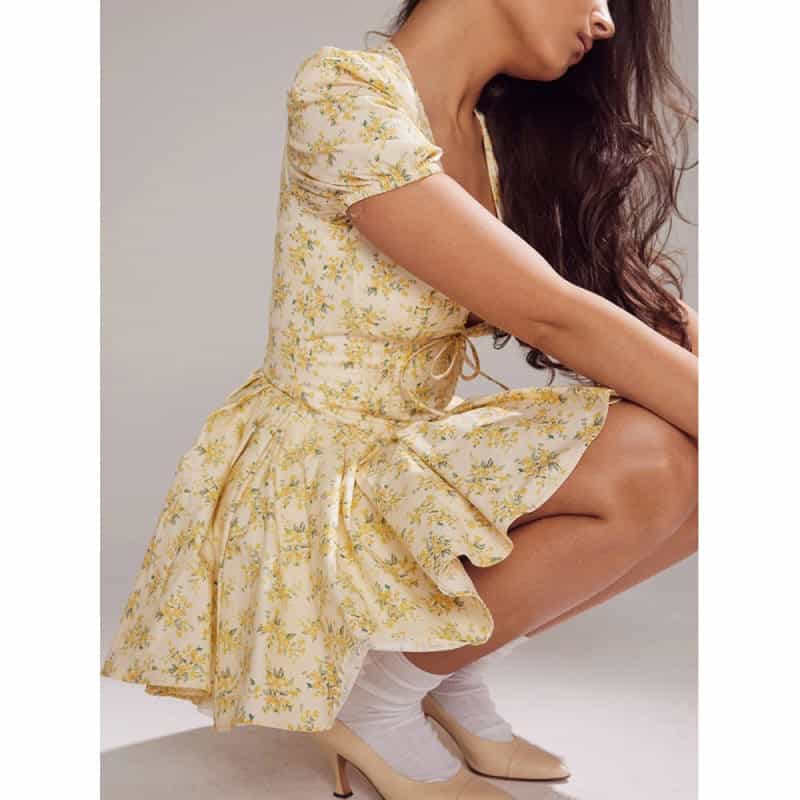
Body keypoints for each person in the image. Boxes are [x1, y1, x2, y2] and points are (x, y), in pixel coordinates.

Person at [101, 0, 698, 796]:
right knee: (655, 460)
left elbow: (637, 315)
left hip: (408, 454)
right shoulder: (345, 92)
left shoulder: (494, 136)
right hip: (325, 474)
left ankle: (442, 670)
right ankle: (373, 699)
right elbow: (551, 314)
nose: (606, 22)